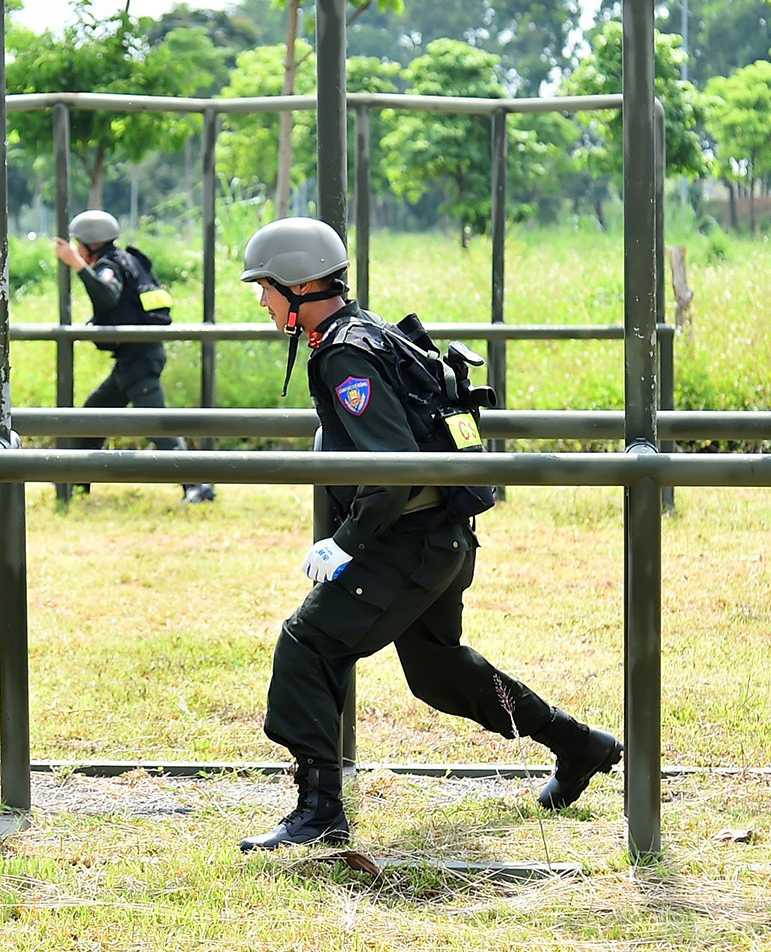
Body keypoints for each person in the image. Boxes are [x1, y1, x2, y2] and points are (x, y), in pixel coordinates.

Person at [235, 216, 619, 851]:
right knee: (438, 672)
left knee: (305, 647)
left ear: (299, 285)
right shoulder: (371, 334)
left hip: (404, 542)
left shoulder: (344, 354)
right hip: (442, 538)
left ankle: (318, 811)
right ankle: (579, 744)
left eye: (265, 287)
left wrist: (346, 543)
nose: (260, 300)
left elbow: (390, 470)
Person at [53, 209, 216, 504]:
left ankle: (198, 486)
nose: (76, 249)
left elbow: (108, 295)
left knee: (157, 427)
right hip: (136, 357)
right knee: (91, 416)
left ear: (90, 244)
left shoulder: (109, 265)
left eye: (79, 245)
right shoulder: (129, 259)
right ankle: (76, 487)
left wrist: (76, 265)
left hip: (139, 358)